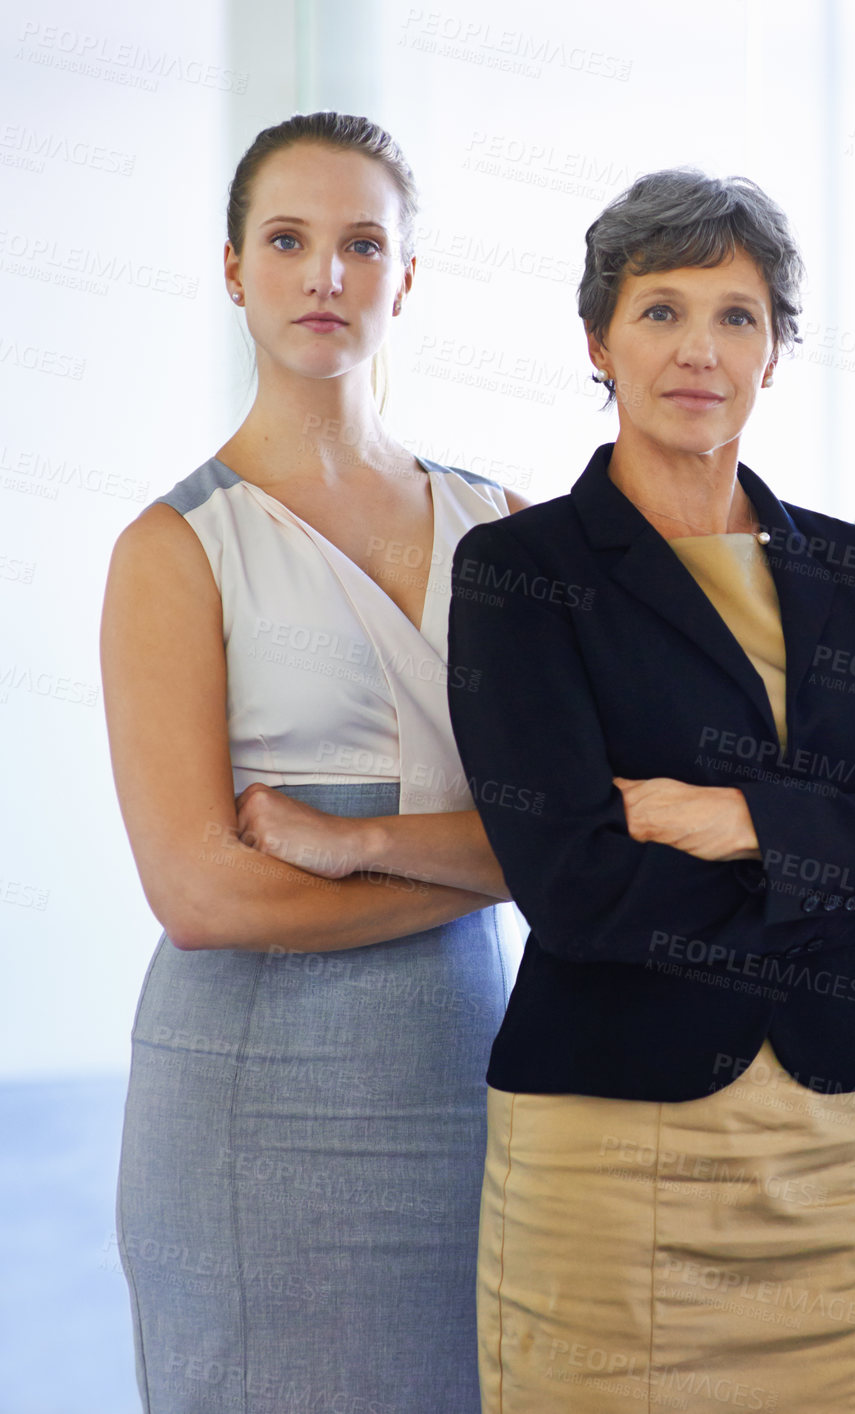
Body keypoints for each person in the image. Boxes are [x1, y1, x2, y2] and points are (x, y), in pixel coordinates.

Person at [444, 167, 855, 1414]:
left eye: (737, 315)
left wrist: (739, 819)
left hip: (828, 1145)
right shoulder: (519, 570)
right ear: (597, 339)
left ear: (777, 352)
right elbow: (578, 887)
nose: (697, 350)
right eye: (660, 311)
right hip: (603, 1147)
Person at [100, 112, 525, 1414]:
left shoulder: (497, 524)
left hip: (460, 1071)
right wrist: (499, 869)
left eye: (360, 244)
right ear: (234, 269)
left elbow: (563, 826)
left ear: (407, 276)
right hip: (248, 1090)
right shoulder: (175, 549)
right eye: (288, 240)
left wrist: (364, 842)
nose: (325, 275)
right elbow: (202, 895)